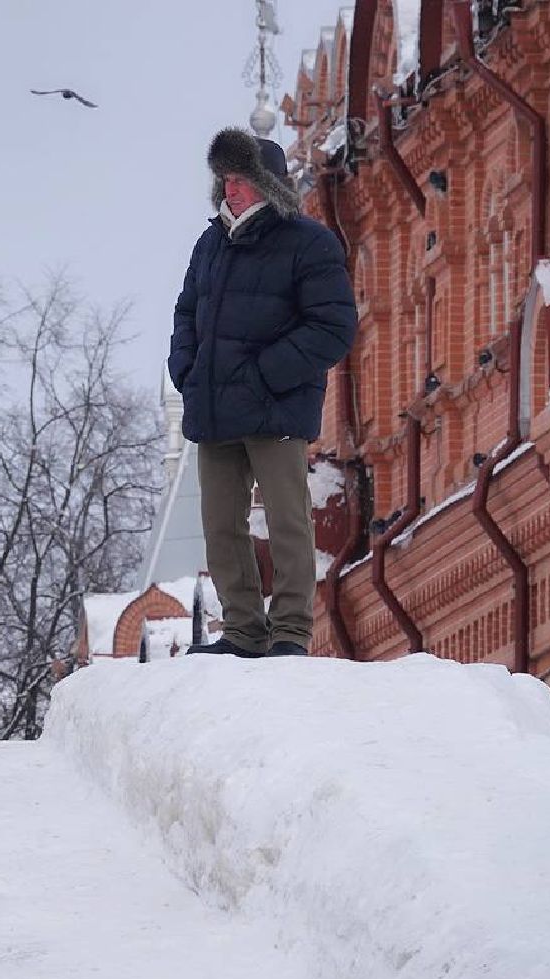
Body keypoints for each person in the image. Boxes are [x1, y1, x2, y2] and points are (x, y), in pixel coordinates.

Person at [168, 128, 358, 658]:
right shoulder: (210, 244)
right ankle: (243, 631)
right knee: (220, 525)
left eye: (242, 180)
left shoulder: (309, 242)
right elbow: (186, 313)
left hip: (276, 407)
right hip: (214, 407)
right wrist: (186, 370)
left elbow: (333, 327)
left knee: (287, 519)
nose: (230, 189)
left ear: (269, 184)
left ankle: (291, 631)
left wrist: (264, 376)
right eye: (226, 179)